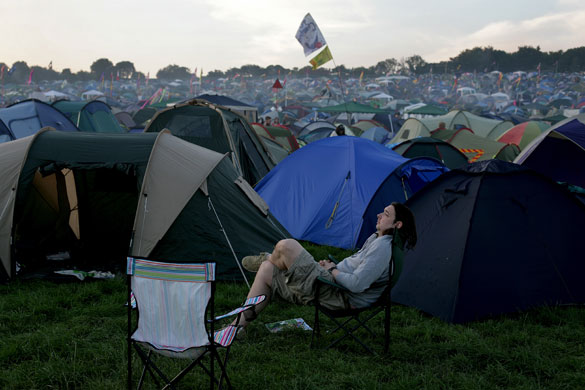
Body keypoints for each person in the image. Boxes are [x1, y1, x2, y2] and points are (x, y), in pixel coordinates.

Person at [234, 202, 417, 328]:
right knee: (267, 270)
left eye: (385, 214)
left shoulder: (384, 249)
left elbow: (357, 284)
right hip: (332, 283)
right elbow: (356, 269)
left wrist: (333, 270)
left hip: (338, 295)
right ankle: (238, 326)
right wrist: (333, 265)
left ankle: (268, 257)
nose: (379, 215)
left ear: (397, 224)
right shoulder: (377, 239)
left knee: (286, 245)